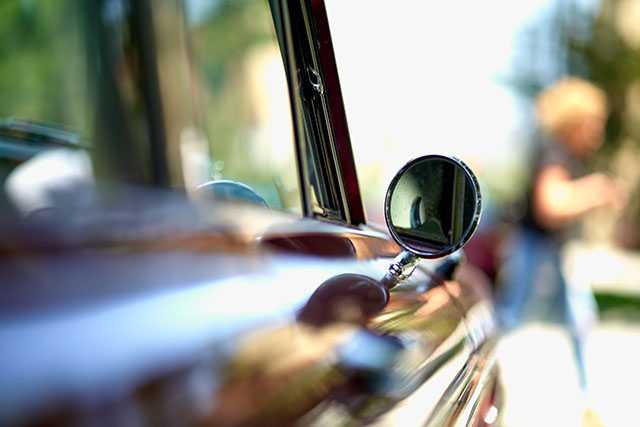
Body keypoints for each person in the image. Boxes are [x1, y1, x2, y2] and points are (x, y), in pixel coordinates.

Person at [496, 77, 627, 415]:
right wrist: (596, 192)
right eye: (592, 123)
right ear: (572, 123)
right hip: (536, 250)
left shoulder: (563, 155)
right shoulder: (555, 153)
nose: (597, 132)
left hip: (550, 250)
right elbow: (550, 205)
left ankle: (588, 402)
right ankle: (491, 389)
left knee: (579, 319)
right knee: (514, 318)